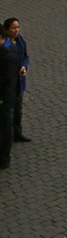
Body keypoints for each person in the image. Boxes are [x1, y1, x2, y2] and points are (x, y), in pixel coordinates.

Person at [3, 18, 30, 142]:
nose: (16, 30)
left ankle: (17, 132)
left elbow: (25, 57)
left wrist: (24, 66)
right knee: (8, 110)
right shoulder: (5, 45)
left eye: (17, 27)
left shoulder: (21, 41)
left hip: (19, 81)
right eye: (13, 28)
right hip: (9, 82)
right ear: (7, 30)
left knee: (18, 109)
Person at [0, 20, 16, 169]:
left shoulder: (7, 56)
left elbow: (8, 82)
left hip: (4, 99)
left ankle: (4, 157)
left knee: (5, 127)